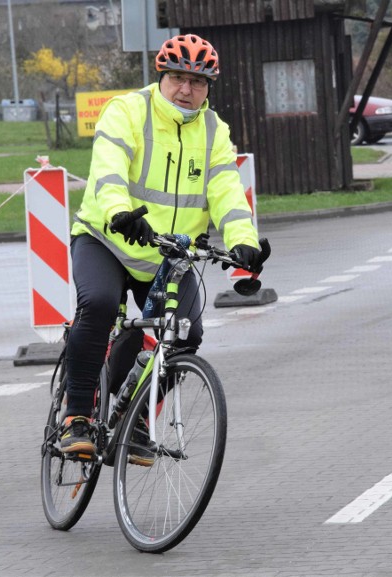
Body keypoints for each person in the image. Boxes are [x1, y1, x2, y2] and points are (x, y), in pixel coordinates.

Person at [59, 33, 268, 460]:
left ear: (209, 87)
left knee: (184, 334)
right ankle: (76, 416)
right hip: (108, 238)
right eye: (177, 78)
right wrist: (120, 211)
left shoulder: (214, 131)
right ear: (162, 77)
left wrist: (243, 244)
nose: (186, 90)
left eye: (198, 82)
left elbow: (227, 191)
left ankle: (131, 418)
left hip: (167, 256)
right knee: (98, 304)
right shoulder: (128, 111)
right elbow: (109, 168)